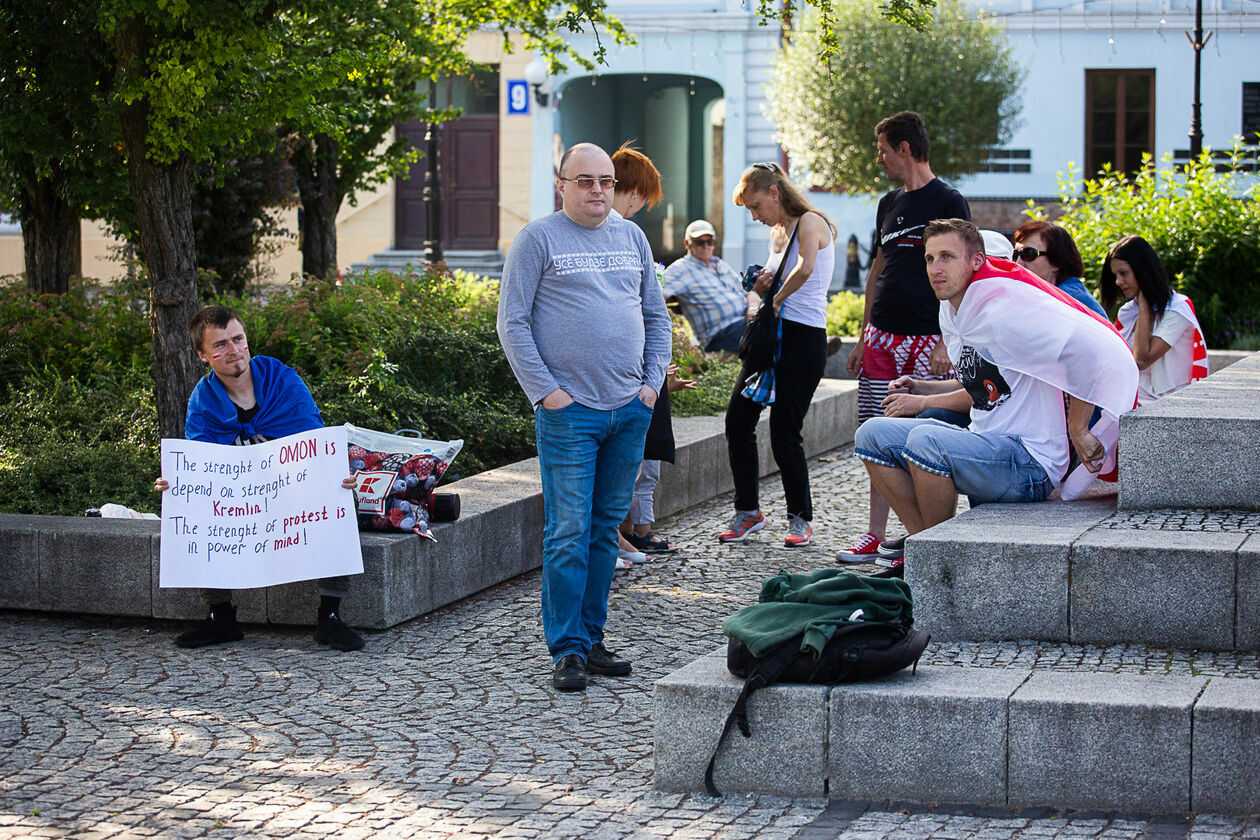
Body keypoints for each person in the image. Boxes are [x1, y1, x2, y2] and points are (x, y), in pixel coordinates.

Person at [854, 219, 1138, 564]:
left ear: (976, 261)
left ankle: (941, 561)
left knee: (925, 440)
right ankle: (924, 547)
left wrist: (1078, 428)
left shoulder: (1007, 309)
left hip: (1030, 461)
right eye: (929, 259)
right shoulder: (952, 309)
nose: (936, 268)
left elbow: (1085, 355)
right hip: (986, 441)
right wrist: (923, 387)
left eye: (947, 257)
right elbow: (983, 384)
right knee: (871, 434)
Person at [497, 142, 672, 692]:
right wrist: (547, 393)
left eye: (605, 180)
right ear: (562, 185)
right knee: (568, 532)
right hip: (569, 416)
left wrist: (650, 386)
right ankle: (567, 649)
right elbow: (513, 323)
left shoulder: (631, 237)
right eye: (585, 181)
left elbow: (655, 315)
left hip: (629, 411)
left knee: (602, 532)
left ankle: (592, 640)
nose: (598, 190)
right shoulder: (538, 239)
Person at [154, 305, 364, 652]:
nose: (233, 350)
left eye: (238, 339)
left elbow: (312, 443)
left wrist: (336, 475)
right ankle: (220, 617)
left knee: (339, 497)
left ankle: (329, 616)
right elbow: (203, 467)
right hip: (242, 503)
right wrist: (176, 484)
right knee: (193, 507)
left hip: (291, 492)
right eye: (220, 345)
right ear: (202, 355)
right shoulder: (202, 403)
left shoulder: (281, 379)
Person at [839, 111, 971, 563]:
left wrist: (942, 340)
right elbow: (878, 267)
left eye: (883, 150)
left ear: (906, 149)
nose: (879, 159)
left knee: (919, 438)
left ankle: (921, 535)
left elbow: (965, 272)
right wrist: (862, 336)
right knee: (874, 434)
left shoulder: (949, 200)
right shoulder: (887, 203)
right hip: (881, 338)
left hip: (925, 342)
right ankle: (875, 534)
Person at [719, 161, 835, 548]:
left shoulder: (811, 221)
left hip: (803, 339)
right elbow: (775, 282)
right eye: (749, 211)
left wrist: (775, 299)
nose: (755, 216)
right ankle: (747, 511)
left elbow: (806, 268)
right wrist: (763, 288)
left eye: (756, 206)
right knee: (738, 421)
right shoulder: (777, 234)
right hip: (771, 340)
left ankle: (800, 517)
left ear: (774, 193)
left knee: (785, 432)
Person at [610, 143, 693, 558]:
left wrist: (657, 373)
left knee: (636, 461)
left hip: (641, 373)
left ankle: (622, 533)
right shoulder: (615, 235)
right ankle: (617, 534)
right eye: (642, 196)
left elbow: (654, 316)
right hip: (616, 378)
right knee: (624, 464)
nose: (641, 205)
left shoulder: (630, 237)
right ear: (635, 191)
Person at [1100, 234, 1208, 404]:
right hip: (1130, 403)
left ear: (1143, 270)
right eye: (1115, 275)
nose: (1118, 281)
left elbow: (1141, 360)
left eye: (1123, 273)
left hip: (1171, 407)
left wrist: (1144, 307)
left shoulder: (1178, 309)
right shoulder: (1127, 312)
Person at [662, 219, 757, 354]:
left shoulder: (719, 263)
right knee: (771, 329)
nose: (705, 246)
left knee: (779, 318)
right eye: (699, 242)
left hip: (745, 321)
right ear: (687, 244)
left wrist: (752, 310)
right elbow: (656, 293)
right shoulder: (681, 269)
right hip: (720, 334)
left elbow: (749, 292)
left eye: (709, 242)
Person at [1013, 220, 1108, 318]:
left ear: (1056, 261)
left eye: (1028, 254)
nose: (1018, 262)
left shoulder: (1073, 304)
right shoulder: (1039, 297)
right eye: (1015, 254)